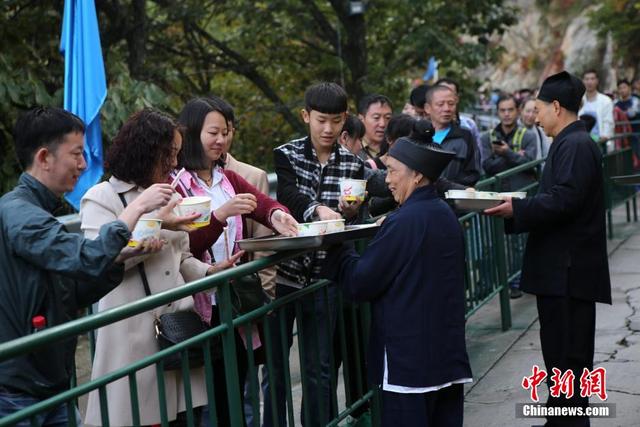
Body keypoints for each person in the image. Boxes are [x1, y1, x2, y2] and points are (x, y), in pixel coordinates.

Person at [0, 107, 169, 425]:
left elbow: (71, 290)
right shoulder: (20, 214)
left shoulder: (37, 210)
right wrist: (137, 209)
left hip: (48, 385)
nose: (83, 163)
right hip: (19, 392)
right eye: (76, 153)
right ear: (44, 157)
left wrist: (121, 258)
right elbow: (85, 258)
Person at [81, 109, 236, 426]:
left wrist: (209, 272)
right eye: (169, 154)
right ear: (146, 150)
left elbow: (180, 257)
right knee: (141, 415)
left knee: (184, 416)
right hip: (134, 337)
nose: (175, 164)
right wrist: (153, 220)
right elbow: (100, 259)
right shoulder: (101, 197)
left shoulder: (170, 191)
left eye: (177, 154)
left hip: (177, 332)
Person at [486, 71, 612, 426]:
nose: (536, 117)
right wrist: (520, 206)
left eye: (539, 109)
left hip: (568, 274)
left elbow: (564, 201)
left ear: (556, 107)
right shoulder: (571, 143)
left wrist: (517, 207)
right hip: (562, 273)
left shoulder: (575, 144)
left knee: (569, 359)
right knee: (562, 360)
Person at [322, 132, 472, 427]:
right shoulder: (444, 214)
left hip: (409, 363)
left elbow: (359, 282)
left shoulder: (404, 221)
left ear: (416, 175)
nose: (386, 180)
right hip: (447, 355)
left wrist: (338, 243)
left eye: (392, 171)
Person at [173, 96, 297, 427]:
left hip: (233, 305)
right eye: (213, 132)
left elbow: (263, 202)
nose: (221, 140)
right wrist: (219, 216)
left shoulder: (225, 177)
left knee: (236, 391)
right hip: (200, 307)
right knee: (209, 399)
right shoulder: (176, 183)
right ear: (193, 132)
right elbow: (187, 244)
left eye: (226, 132)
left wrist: (277, 215)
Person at [266, 82, 365, 426]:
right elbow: (289, 195)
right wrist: (318, 209)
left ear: (345, 120)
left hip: (326, 276)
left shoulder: (354, 164)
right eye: (321, 120)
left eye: (336, 121)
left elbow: (353, 214)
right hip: (286, 275)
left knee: (320, 368)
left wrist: (349, 211)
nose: (328, 129)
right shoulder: (287, 154)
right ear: (306, 116)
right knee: (275, 369)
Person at [423, 85, 481, 191]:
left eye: (451, 104)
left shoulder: (465, 136)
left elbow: (473, 172)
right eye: (440, 104)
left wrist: (451, 187)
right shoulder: (418, 134)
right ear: (427, 108)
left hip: (451, 201)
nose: (447, 109)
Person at [480, 93, 538, 192]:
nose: (506, 114)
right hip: (495, 193)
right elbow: (487, 167)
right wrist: (515, 155)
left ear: (518, 111)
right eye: (502, 110)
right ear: (497, 112)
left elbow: (529, 166)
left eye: (510, 110)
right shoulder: (486, 137)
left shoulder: (529, 136)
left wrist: (506, 153)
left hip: (520, 193)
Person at [578, 69, 614, 143]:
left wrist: (605, 136)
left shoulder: (606, 100)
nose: (589, 82)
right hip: (581, 141)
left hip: (600, 141)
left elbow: (608, 121)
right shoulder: (578, 100)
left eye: (592, 79)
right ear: (583, 81)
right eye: (586, 79)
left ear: (597, 81)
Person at [357, 94, 393, 162]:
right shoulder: (351, 148)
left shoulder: (396, 149)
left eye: (388, 118)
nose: (382, 124)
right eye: (376, 117)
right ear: (361, 119)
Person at [615, 79, 640, 161]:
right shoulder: (616, 103)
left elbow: (632, 113)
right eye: (620, 88)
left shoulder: (635, 100)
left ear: (629, 88)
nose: (622, 90)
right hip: (622, 136)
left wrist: (621, 113)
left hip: (636, 134)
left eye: (624, 87)